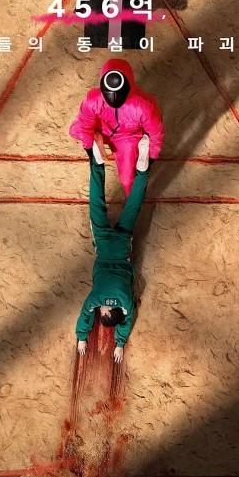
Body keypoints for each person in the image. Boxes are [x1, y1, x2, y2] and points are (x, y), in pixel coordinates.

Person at [75, 133, 151, 363]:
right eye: (102, 313)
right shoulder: (96, 299)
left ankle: (143, 169)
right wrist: (81, 337)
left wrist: (120, 343)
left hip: (122, 246)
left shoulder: (126, 302)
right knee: (96, 204)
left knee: (133, 207)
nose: (99, 311)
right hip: (103, 244)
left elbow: (127, 320)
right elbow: (85, 314)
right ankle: (97, 163)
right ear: (106, 311)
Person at [69, 59, 163, 194]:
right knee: (75, 129)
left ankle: (132, 193)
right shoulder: (92, 99)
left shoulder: (144, 105)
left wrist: (152, 156)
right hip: (102, 127)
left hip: (127, 137)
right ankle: (96, 137)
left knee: (127, 180)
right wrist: (90, 149)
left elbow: (156, 133)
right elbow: (84, 125)